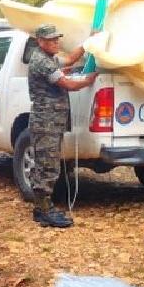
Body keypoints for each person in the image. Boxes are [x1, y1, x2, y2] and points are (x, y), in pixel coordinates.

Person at [28, 24, 98, 228]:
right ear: (40, 42)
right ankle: (44, 210)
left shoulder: (48, 58)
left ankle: (42, 208)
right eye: (52, 40)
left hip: (51, 121)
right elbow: (69, 85)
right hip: (46, 122)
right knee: (47, 166)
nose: (56, 42)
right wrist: (88, 80)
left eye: (57, 38)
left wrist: (87, 43)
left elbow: (68, 60)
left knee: (48, 163)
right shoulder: (42, 61)